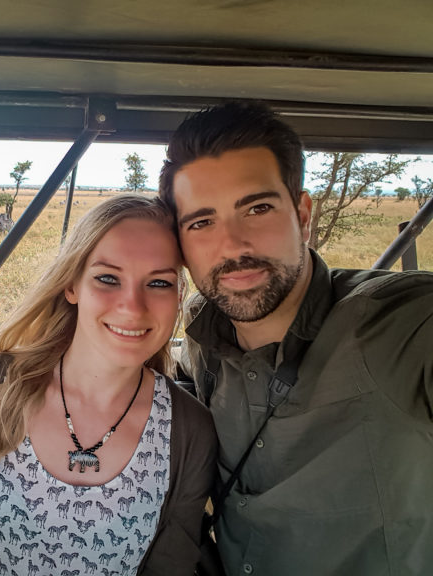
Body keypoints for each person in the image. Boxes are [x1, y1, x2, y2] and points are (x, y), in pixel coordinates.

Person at [158, 101, 433, 576]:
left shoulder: (397, 323)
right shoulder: (204, 332)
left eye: (258, 208)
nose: (233, 245)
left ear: (303, 215)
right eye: (202, 222)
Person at [0, 194, 217, 576]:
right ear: (71, 285)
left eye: (158, 283)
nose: (132, 306)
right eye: (108, 278)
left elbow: (169, 567)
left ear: (178, 298)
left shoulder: (189, 430)